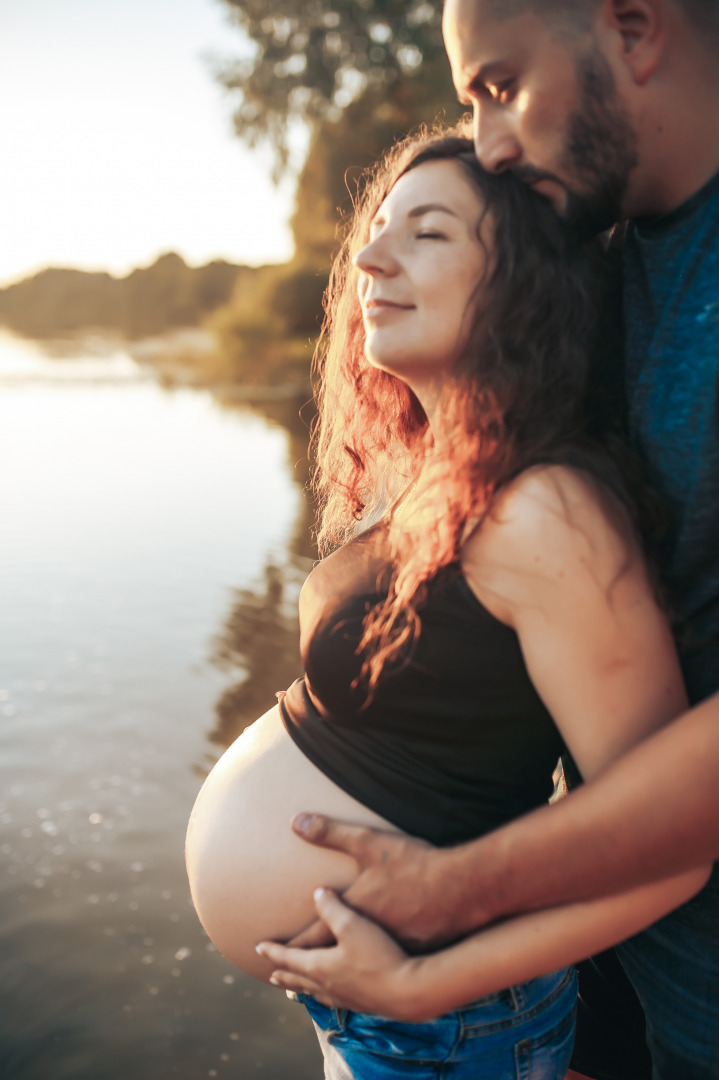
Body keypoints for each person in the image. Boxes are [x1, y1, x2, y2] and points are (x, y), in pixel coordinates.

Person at [187, 126, 708, 1080]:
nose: (370, 258)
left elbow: (668, 851)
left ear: (524, 287)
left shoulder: (548, 511)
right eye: (377, 229)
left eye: (426, 234)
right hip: (389, 1014)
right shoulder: (451, 476)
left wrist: (425, 988)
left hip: (448, 1021)